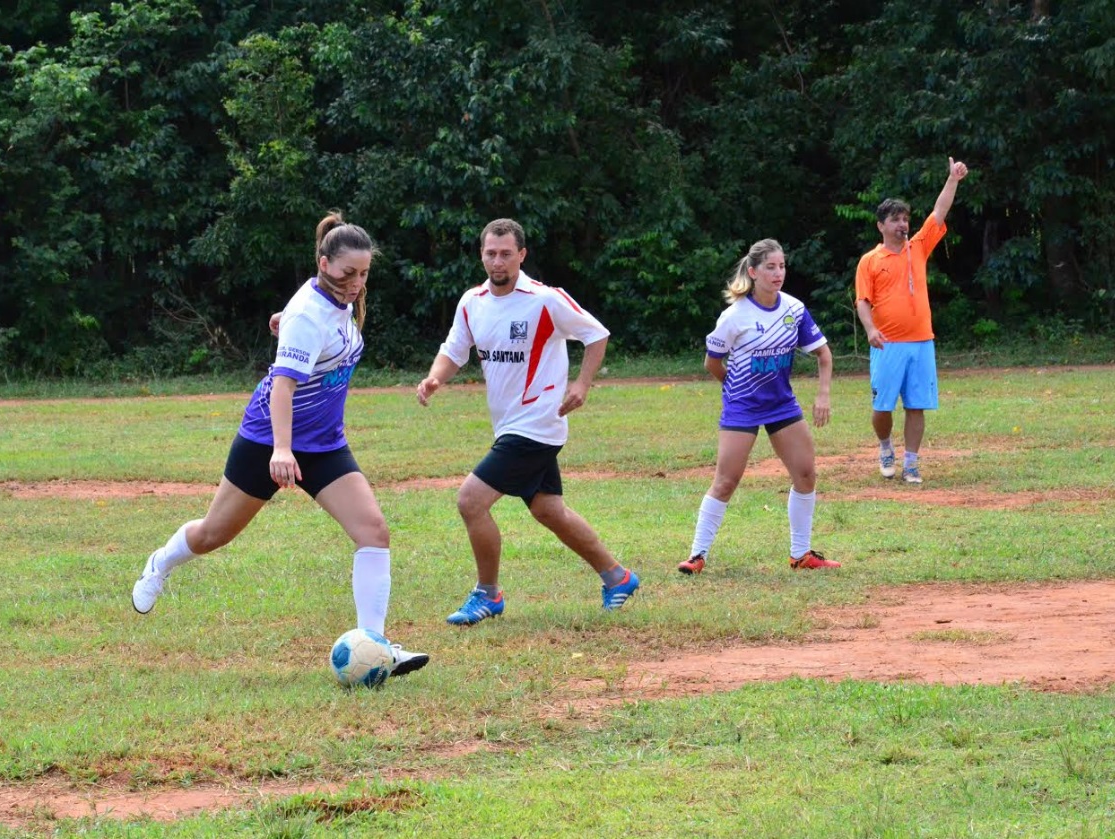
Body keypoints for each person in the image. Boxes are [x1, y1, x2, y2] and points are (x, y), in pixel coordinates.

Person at [131, 211, 429, 678]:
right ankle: (161, 562)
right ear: (323, 263)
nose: (356, 283)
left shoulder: (335, 300)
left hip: (325, 443)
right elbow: (285, 388)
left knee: (373, 531)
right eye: (347, 273)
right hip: (269, 436)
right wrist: (282, 450)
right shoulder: (309, 314)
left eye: (364, 273)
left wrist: (286, 322)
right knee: (214, 534)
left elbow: (317, 331)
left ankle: (377, 647)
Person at [416, 218, 640, 626]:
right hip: (509, 424)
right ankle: (617, 576)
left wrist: (582, 385)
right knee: (549, 510)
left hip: (539, 424)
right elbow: (454, 349)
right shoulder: (472, 301)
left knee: (470, 500)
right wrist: (435, 378)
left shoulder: (545, 299)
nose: (497, 261)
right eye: (490, 253)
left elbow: (597, 334)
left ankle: (489, 594)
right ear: (481, 254)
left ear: (521, 255)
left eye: (505, 253)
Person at [678, 239, 838, 575]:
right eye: (770, 267)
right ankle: (697, 556)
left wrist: (823, 395)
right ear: (753, 272)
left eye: (782, 266)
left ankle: (801, 554)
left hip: (782, 405)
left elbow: (823, 354)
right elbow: (712, 362)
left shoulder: (793, 310)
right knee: (726, 480)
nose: (778, 273)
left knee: (806, 474)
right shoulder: (735, 316)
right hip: (742, 407)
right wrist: (735, 387)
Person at [855, 157, 970, 484]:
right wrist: (870, 329)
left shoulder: (917, 247)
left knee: (917, 405)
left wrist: (952, 180)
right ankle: (885, 446)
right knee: (882, 408)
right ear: (881, 225)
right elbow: (863, 302)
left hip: (921, 341)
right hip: (887, 344)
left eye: (905, 219)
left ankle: (911, 463)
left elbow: (939, 212)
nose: (902, 224)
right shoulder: (869, 261)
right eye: (895, 219)